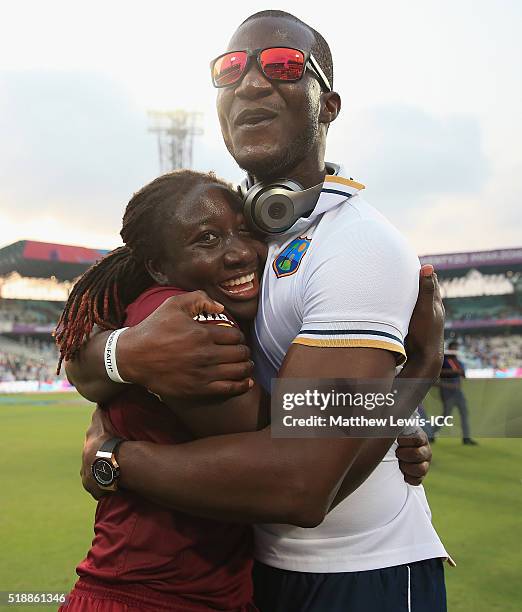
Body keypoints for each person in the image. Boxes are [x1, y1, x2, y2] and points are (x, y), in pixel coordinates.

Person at [67, 10, 448, 612]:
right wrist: (121, 354)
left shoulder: (358, 246)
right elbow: (88, 338)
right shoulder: (232, 233)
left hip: (356, 573)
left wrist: (116, 459)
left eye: (283, 65)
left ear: (328, 105)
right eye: (228, 69)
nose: (248, 82)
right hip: (255, 570)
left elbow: (301, 480)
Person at [56, 170, 271, 611]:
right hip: (148, 595)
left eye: (245, 231)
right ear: (159, 266)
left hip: (200, 590)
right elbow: (285, 445)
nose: (239, 253)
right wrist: (389, 398)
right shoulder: (186, 317)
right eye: (208, 239)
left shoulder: (178, 308)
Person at [436, 340, 478, 445]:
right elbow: (439, 373)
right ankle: (431, 433)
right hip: (447, 390)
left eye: (456, 349)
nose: (455, 351)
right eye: (454, 348)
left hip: (457, 391)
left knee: (464, 413)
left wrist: (461, 372)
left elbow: (462, 375)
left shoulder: (458, 362)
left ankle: (466, 438)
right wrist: (454, 372)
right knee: (446, 414)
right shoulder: (444, 360)